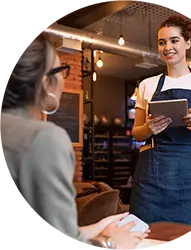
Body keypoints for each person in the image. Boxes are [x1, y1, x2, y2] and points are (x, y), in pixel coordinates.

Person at [0, 32, 149, 250]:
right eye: (60, 70)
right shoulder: (43, 139)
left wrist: (99, 226)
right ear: (45, 82)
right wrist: (110, 243)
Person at [129, 15, 191, 225]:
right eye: (162, 42)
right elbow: (136, 133)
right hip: (152, 176)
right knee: (147, 237)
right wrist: (148, 128)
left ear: (187, 43)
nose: (167, 47)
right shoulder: (147, 85)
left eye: (174, 40)